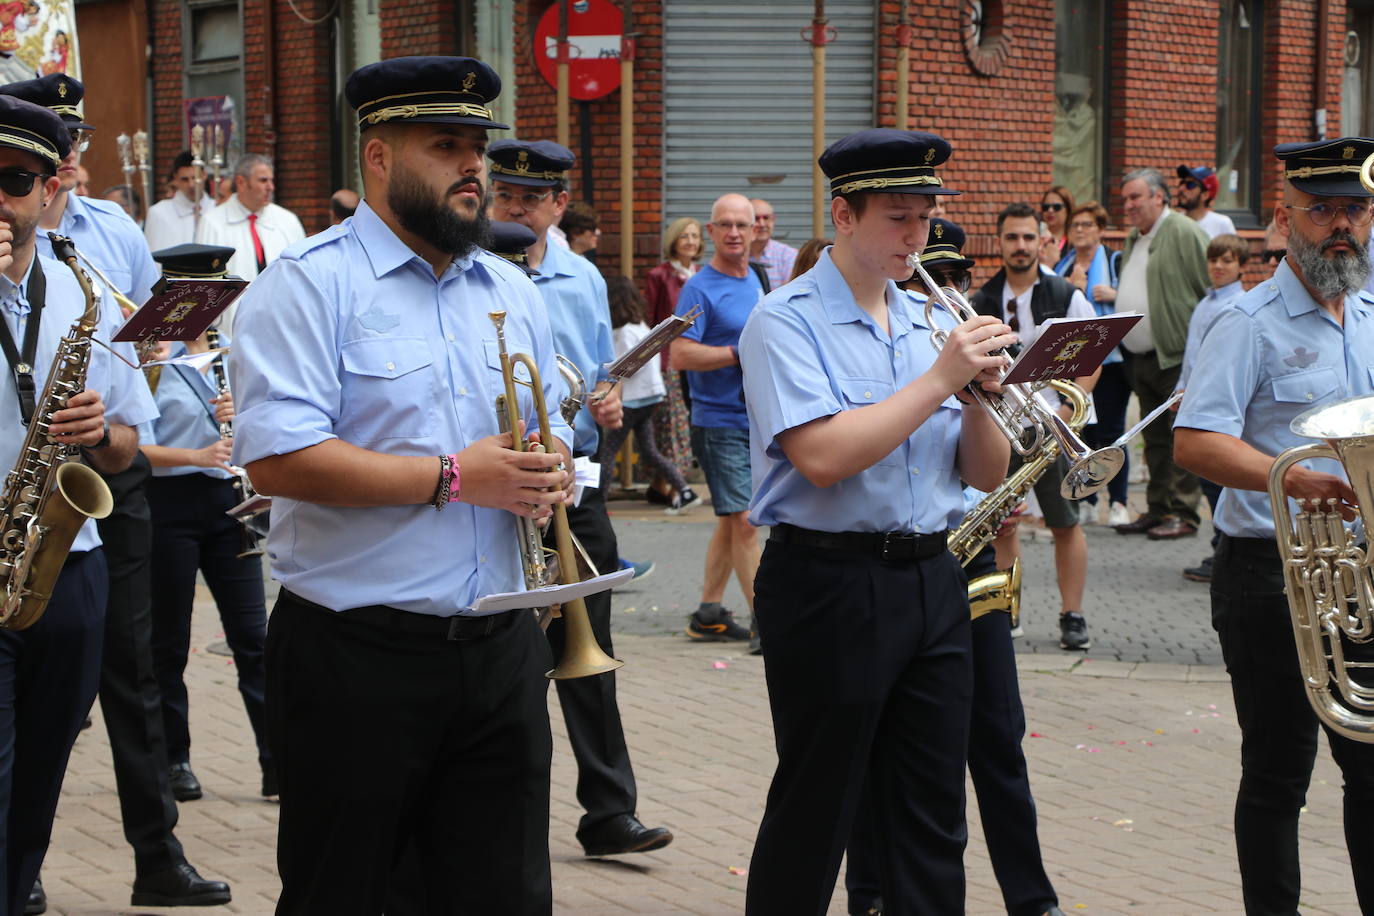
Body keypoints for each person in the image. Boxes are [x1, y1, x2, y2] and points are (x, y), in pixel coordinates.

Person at [230, 55, 571, 914]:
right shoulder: (309, 285)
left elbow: (545, 425)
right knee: (340, 892)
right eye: (445, 145)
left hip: (498, 652)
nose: (472, 167)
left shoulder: (509, 286)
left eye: (477, 148)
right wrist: (456, 477)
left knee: (506, 896)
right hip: (357, 658)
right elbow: (275, 458)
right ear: (377, 156)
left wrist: (551, 465)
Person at [739, 126, 1012, 915]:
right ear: (843, 215)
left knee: (932, 817)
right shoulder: (784, 320)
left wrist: (984, 400)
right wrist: (942, 378)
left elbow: (982, 475)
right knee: (818, 808)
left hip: (934, 572)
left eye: (925, 218)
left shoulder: (932, 318)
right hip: (829, 580)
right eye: (899, 217)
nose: (916, 236)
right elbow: (823, 457)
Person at [0, 72, 232, 911]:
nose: (6, 195)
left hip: (82, 515)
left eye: (22, 175)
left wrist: (129, 401)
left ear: (55, 173)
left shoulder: (100, 249)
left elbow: (139, 355)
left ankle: (144, 854)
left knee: (114, 685)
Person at [1174, 136, 1374, 916]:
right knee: (1277, 774)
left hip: (1360, 569)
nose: (1341, 226)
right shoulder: (1245, 320)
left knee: (1371, 769)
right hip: (1271, 572)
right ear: (1283, 220)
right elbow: (1195, 439)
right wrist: (1293, 479)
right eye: (1321, 209)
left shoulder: (1368, 313)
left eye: (1354, 209)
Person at [848, 216, 1065, 916]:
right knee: (877, 746)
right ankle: (873, 891)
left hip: (968, 577)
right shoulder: (889, 343)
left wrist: (1000, 411)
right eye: (927, 277)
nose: (943, 292)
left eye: (954, 279)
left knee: (997, 737)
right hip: (901, 567)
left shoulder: (973, 349)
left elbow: (989, 467)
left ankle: (1032, 899)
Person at [0, 95, 167, 916]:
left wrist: (102, 433)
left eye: (14, 180)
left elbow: (132, 443)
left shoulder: (84, 292)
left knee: (41, 769)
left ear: (48, 189)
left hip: (68, 565)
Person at [487, 137, 673, 860]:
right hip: (503, 483)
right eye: (506, 194)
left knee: (589, 652)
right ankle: (508, 804)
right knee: (513, 658)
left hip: (575, 488)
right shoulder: (478, 267)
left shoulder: (582, 278)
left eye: (531, 199)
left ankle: (609, 811)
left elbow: (595, 373)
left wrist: (608, 398)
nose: (514, 207)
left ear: (559, 205)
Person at [138, 243, 273, 804]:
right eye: (198, 296)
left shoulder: (232, 352)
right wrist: (196, 455)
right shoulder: (146, 356)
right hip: (168, 506)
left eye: (218, 297)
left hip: (227, 506)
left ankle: (279, 759)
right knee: (168, 642)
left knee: (254, 638)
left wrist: (240, 419)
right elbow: (124, 448)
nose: (210, 309)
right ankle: (175, 759)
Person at [972, 202, 1101, 651]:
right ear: (1000, 242)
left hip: (1056, 427)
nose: (1021, 246)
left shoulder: (1065, 294)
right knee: (1002, 525)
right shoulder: (982, 299)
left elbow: (1093, 354)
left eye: (1029, 237)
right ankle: (1007, 613)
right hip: (1005, 430)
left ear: (1041, 239)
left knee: (1065, 523)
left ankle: (1073, 615)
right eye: (1012, 237)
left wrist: (1068, 413)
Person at [671, 193, 764, 647]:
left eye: (741, 226)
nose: (733, 233)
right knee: (745, 520)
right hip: (718, 419)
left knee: (732, 520)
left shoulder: (758, 278)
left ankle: (708, 612)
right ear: (710, 232)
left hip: (757, 419)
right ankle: (766, 622)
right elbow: (680, 353)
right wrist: (736, 352)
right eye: (724, 225)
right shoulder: (698, 288)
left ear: (754, 231)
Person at [1113, 167, 1210, 540]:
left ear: (1159, 197)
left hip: (1177, 356)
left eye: (1135, 197)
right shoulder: (1133, 238)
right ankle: (1157, 508)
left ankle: (1185, 513)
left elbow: (1210, 288)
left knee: (1181, 434)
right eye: (1125, 199)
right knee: (1153, 439)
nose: (1129, 205)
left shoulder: (1183, 232)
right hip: (1141, 357)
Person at [1176, 233, 1248, 584]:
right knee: (1206, 481)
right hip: (1192, 396)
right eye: (1214, 260)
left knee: (1218, 481)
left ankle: (1224, 548)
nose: (1218, 267)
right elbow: (1193, 353)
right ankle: (1220, 545)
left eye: (1227, 261)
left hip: (1213, 402)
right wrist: (1181, 388)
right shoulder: (1205, 303)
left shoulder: (1238, 306)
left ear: (1241, 267)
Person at [597, 275, 700, 512]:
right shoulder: (640, 325)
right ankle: (684, 490)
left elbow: (623, 369)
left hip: (632, 399)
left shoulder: (623, 332)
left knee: (608, 452)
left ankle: (599, 503)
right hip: (650, 396)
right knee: (649, 450)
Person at [1056, 200, 1130, 527]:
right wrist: (1072, 291)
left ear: (1101, 230)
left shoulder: (1115, 260)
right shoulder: (1063, 264)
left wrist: (1113, 295)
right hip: (1073, 363)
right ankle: (1088, 498)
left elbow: (1135, 300)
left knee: (1112, 432)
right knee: (1082, 432)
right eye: (1076, 226)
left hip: (1111, 360)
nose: (1081, 231)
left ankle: (1119, 502)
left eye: (1088, 225)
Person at [195, 153, 305, 331]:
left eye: (271, 180)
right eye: (263, 181)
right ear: (241, 182)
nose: (270, 187)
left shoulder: (288, 221)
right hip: (232, 329)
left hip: (281, 328)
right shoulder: (212, 223)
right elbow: (204, 285)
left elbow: (303, 278)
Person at [642, 217, 700, 508]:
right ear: (674, 241)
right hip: (669, 361)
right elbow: (650, 322)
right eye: (684, 236)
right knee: (672, 425)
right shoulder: (659, 275)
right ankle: (677, 487)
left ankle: (659, 485)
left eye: (694, 236)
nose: (690, 241)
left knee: (687, 421)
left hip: (701, 359)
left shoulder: (703, 275)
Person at [143, 151, 215, 250]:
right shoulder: (159, 213)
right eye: (184, 179)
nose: (191, 185)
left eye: (195, 178)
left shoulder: (216, 209)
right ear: (175, 178)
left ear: (204, 175)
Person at [1176, 164, 1237, 239]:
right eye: (1182, 183)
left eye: (1190, 185)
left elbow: (1233, 250)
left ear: (1205, 195)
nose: (1181, 188)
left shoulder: (1222, 224)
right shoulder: (1173, 223)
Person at [749, 197, 798, 289]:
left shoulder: (788, 256)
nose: (762, 224)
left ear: (773, 220)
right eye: (756, 218)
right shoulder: (735, 255)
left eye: (766, 218)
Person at [1039, 185, 1074, 266]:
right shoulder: (1036, 240)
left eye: (1056, 207)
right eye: (1046, 207)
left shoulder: (1074, 244)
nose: (1050, 210)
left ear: (1068, 210)